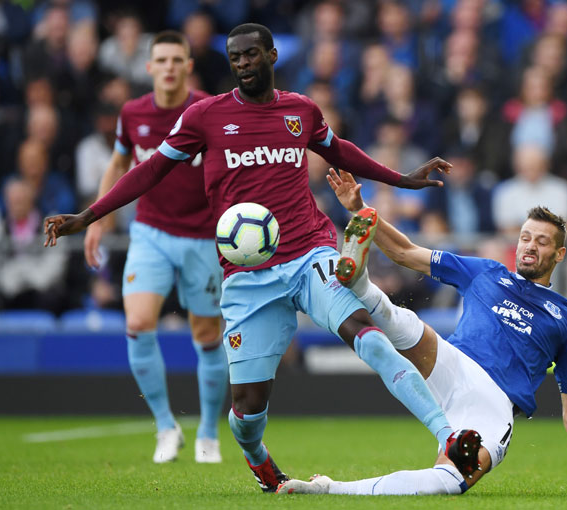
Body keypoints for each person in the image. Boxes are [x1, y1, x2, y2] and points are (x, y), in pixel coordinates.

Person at [43, 23, 468, 493]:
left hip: (310, 252)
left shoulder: (300, 111)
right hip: (247, 277)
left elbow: (339, 151)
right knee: (247, 413)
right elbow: (151, 171)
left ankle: (448, 436)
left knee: (366, 335)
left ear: (271, 55)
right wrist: (89, 214)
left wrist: (402, 179)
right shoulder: (205, 117)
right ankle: (257, 457)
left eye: (251, 55)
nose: (242, 64)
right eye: (235, 58)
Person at [276, 169, 567, 497]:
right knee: (400, 321)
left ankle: (327, 489)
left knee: (448, 482)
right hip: (452, 363)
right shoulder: (487, 272)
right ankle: (360, 281)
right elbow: (404, 252)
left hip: (493, 403)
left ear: (559, 254)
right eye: (526, 237)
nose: (530, 246)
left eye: (541, 241)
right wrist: (361, 209)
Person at [83, 30, 228, 464]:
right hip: (150, 232)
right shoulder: (132, 113)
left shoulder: (207, 111)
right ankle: (166, 427)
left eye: (175, 60)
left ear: (188, 65)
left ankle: (207, 433)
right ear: (149, 68)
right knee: (138, 322)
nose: (168, 67)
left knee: (206, 335)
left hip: (203, 237)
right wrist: (96, 218)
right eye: (160, 60)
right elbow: (118, 163)